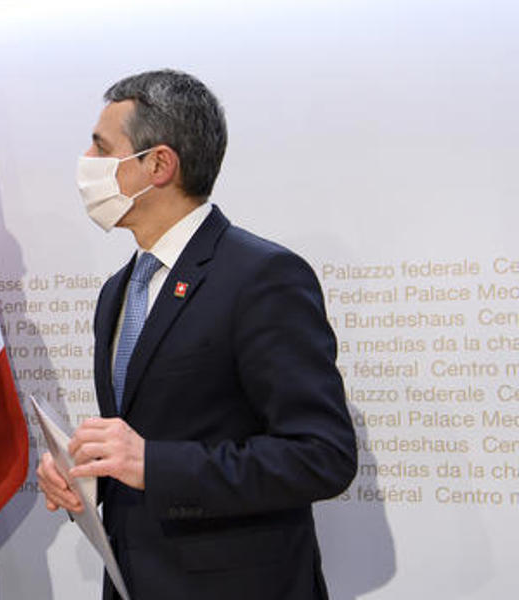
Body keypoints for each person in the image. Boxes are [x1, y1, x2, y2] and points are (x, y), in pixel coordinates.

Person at [37, 69, 357, 599]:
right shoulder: (118, 290)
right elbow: (145, 436)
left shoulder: (262, 276)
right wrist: (87, 475)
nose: (86, 161)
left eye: (102, 148)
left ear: (159, 165)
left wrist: (153, 464)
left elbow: (322, 456)